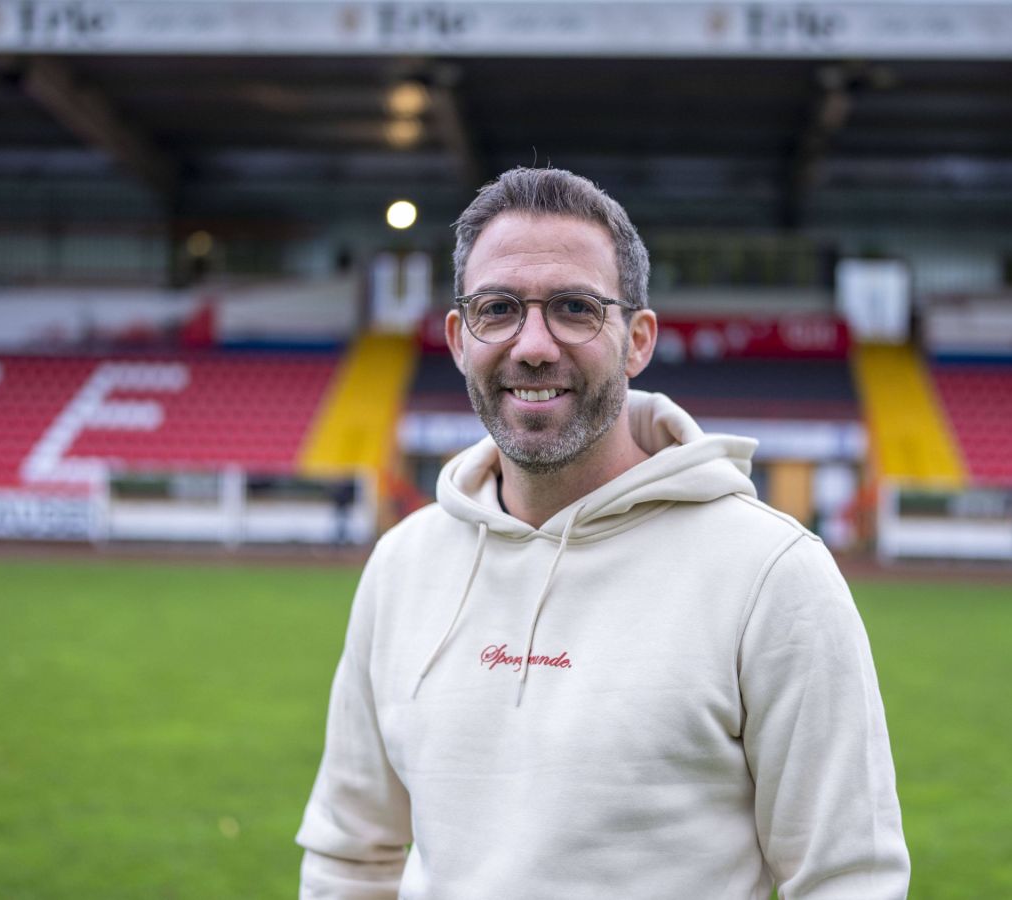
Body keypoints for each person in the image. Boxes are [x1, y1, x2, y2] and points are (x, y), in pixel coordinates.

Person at [297, 167, 909, 899]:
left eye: (574, 308)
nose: (533, 345)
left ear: (637, 339)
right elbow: (350, 857)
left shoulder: (774, 574)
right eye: (498, 309)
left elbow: (848, 879)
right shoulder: (402, 564)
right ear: (459, 339)